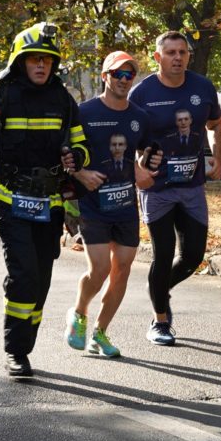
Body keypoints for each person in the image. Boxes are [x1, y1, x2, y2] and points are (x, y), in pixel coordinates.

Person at [0, 22, 89, 377]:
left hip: (50, 205)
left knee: (41, 283)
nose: (41, 65)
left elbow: (81, 146)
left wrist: (75, 158)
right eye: (34, 58)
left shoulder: (63, 99)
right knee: (24, 275)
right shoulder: (0, 96)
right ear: (20, 60)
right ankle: (16, 351)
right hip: (10, 202)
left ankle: (24, 343)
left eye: (47, 60)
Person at [127, 31, 221, 345]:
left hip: (192, 186)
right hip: (156, 188)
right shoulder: (142, 94)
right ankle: (160, 321)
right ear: (157, 57)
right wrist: (137, 171)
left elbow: (216, 124)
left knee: (194, 255)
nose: (178, 58)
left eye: (182, 52)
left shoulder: (202, 87)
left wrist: (217, 160)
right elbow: (123, 136)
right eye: (170, 52)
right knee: (164, 252)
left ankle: (159, 287)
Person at [65, 51, 157, 357]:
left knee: (123, 269)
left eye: (129, 75)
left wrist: (144, 169)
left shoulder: (139, 117)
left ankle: (100, 333)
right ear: (105, 76)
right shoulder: (84, 112)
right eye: (118, 74)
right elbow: (64, 152)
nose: (124, 80)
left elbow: (144, 153)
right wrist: (80, 173)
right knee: (101, 268)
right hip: (92, 204)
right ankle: (79, 312)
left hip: (125, 205)